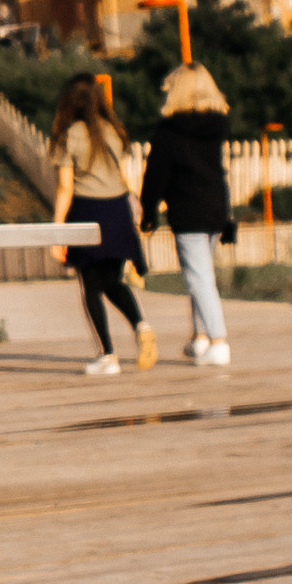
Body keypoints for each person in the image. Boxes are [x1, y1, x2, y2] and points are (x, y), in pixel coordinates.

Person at [50, 72, 156, 375]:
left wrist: (58, 232)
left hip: (87, 210)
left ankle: (107, 356)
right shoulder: (113, 130)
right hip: (117, 211)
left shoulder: (69, 135)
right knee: (111, 280)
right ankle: (141, 324)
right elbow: (123, 175)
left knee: (91, 287)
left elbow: (65, 188)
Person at [141, 59, 236, 366]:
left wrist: (148, 213)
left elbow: (155, 176)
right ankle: (200, 339)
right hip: (214, 207)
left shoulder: (169, 133)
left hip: (187, 209)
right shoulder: (216, 127)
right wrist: (228, 215)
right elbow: (221, 171)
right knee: (202, 274)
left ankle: (219, 341)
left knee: (198, 278)